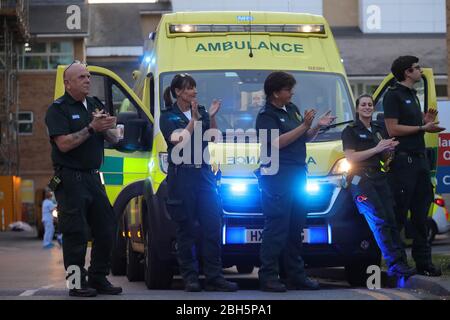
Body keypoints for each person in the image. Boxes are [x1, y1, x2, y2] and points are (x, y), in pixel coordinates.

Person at [45, 61, 123, 297]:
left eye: (88, 76)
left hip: (93, 177)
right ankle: (75, 283)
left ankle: (98, 277)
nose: (87, 80)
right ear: (67, 83)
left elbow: (114, 138)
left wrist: (108, 128)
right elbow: (64, 144)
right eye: (81, 77)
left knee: (107, 227)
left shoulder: (96, 104)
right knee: (75, 233)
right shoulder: (58, 109)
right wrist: (91, 128)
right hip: (70, 179)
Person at [255, 71, 335, 292]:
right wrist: (303, 126)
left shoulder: (292, 110)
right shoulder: (266, 115)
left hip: (298, 174)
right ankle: (269, 276)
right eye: (288, 89)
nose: (292, 93)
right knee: (277, 227)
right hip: (278, 177)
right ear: (275, 93)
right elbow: (276, 143)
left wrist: (317, 126)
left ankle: (296, 275)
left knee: (296, 226)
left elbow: (304, 136)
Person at [159, 73, 238, 292]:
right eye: (189, 88)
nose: (194, 91)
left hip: (203, 174)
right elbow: (178, 141)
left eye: (194, 88)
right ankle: (190, 277)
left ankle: (214, 276)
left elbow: (213, 138)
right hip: (182, 176)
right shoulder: (168, 116)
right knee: (186, 230)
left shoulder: (201, 111)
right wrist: (193, 120)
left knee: (212, 226)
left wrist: (210, 116)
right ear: (178, 92)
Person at [341, 94, 416, 277]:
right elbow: (351, 157)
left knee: (391, 220)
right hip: (360, 179)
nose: (367, 107)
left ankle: (401, 262)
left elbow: (384, 157)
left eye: (370, 104)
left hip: (379, 177)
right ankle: (394, 264)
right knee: (379, 221)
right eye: (363, 105)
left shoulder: (378, 129)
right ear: (357, 109)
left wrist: (389, 151)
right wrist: (377, 148)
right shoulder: (350, 130)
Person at [383, 55, 445, 277]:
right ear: (407, 72)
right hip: (403, 162)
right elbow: (392, 129)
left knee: (421, 215)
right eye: (417, 68)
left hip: (419, 160)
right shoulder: (393, 95)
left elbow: (415, 124)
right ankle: (397, 263)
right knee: (399, 214)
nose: (420, 71)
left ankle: (424, 263)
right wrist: (422, 128)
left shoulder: (412, 95)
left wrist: (424, 121)